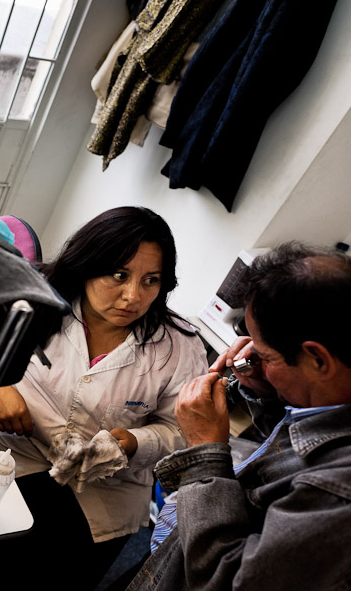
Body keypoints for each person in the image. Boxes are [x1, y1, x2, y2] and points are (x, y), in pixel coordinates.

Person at [0, 207, 207, 590]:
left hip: (101, 495)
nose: (133, 296)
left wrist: (136, 441)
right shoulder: (32, 295)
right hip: (12, 458)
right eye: (119, 275)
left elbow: (185, 429)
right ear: (87, 264)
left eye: (151, 281)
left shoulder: (181, 348)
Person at [126, 242, 351, 591]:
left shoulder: (338, 495)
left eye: (265, 354)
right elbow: (289, 456)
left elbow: (227, 580)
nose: (252, 358)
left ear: (317, 360)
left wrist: (205, 453)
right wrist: (268, 392)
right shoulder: (334, 401)